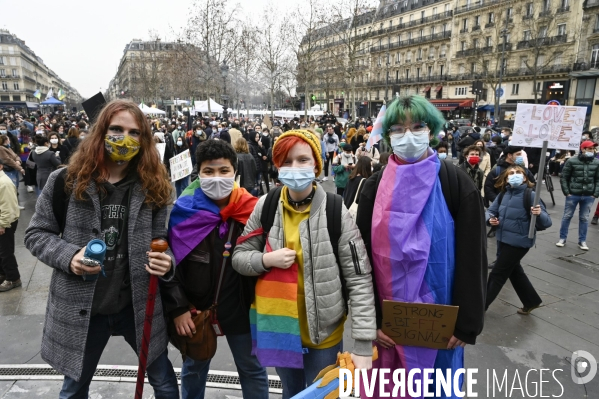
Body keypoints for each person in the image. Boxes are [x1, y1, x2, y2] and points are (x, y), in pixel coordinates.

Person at [24, 100, 179, 398]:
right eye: (117, 129)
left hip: (136, 304)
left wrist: (167, 262)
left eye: (134, 133)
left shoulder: (156, 187)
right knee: (74, 388)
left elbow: (164, 243)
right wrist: (70, 257)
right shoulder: (65, 181)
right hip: (86, 307)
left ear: (144, 140)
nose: (125, 139)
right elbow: (36, 234)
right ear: (101, 132)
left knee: (165, 383)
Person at [356, 95, 487, 398]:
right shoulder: (374, 187)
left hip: (441, 329)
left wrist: (467, 325)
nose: (408, 135)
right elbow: (360, 261)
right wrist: (371, 321)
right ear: (388, 136)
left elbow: (473, 258)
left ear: (432, 130)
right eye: (399, 129)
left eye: (417, 126)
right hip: (388, 329)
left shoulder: (455, 182)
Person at [232, 129, 376, 399]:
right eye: (286, 161)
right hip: (279, 330)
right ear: (276, 166)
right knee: (291, 393)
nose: (294, 167)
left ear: (316, 164)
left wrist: (364, 345)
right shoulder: (266, 206)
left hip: (324, 338)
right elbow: (239, 257)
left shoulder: (336, 211)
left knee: (324, 396)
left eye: (302, 160)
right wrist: (265, 260)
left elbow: (359, 278)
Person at [162, 140, 268, 399]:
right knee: (194, 369)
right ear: (198, 174)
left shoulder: (254, 211)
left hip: (242, 308)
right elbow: (169, 265)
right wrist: (179, 308)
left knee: (252, 369)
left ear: (235, 173)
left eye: (224, 171)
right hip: (195, 310)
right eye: (209, 172)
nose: (217, 177)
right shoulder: (183, 211)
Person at [485, 165, 552, 314]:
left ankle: (480, 307)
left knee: (497, 273)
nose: (514, 175)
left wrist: (539, 213)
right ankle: (531, 301)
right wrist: (491, 220)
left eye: (518, 173)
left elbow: (547, 222)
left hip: (519, 242)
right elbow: (490, 211)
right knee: (514, 271)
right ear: (506, 179)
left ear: (525, 177)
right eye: (511, 173)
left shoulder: (531, 195)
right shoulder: (503, 194)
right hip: (503, 239)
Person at [556, 140, 599, 250]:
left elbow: (598, 179)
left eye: (593, 149)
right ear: (583, 149)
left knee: (584, 218)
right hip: (573, 194)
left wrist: (595, 193)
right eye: (590, 149)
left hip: (589, 195)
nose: (592, 151)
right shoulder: (572, 161)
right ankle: (562, 238)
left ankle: (582, 241)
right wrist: (567, 192)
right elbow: (564, 177)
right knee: (567, 216)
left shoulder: (596, 162)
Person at [0, 158, 21, 292]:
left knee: (5, 252)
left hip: (5, 222)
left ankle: (13, 278)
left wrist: (2, 224)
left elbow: (7, 206)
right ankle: (3, 274)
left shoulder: (4, 183)